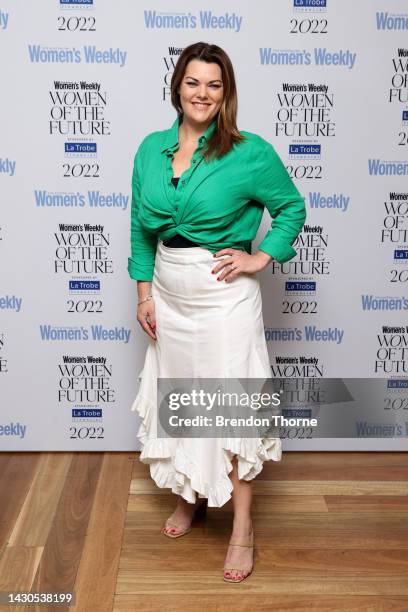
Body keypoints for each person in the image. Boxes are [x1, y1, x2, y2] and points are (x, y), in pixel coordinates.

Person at [128, 42, 306, 583]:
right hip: (168, 292)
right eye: (192, 82)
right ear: (176, 86)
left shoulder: (249, 152)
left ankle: (243, 527)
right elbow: (139, 226)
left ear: (225, 93)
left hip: (222, 297)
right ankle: (193, 495)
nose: (201, 94)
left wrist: (258, 257)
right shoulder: (150, 149)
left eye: (213, 85)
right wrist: (143, 294)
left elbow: (291, 208)